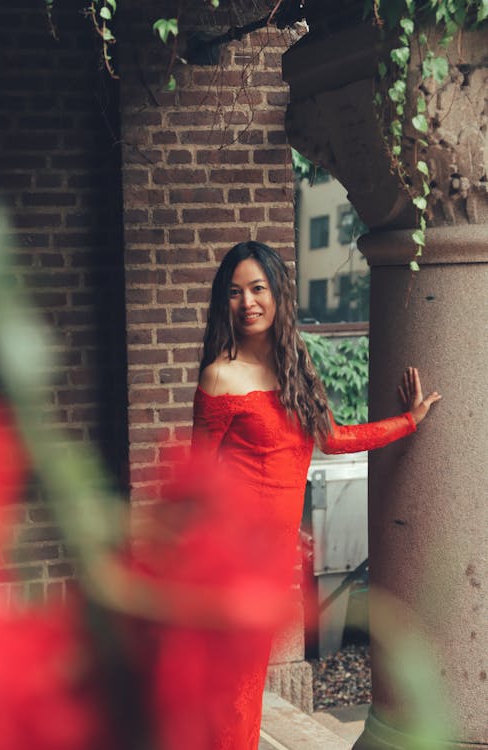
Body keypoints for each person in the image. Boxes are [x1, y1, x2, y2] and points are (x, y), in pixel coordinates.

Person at [158, 241, 441, 750]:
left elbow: (333, 439)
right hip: (234, 560)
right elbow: (197, 482)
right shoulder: (221, 376)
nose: (247, 302)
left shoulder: (297, 368)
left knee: (244, 689)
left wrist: (408, 422)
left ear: (278, 294)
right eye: (235, 292)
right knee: (233, 693)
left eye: (258, 289)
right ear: (224, 302)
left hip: (270, 561)